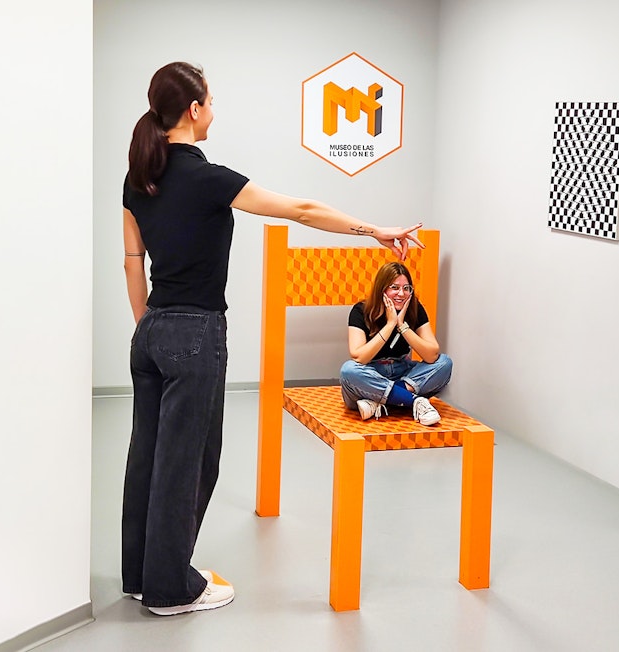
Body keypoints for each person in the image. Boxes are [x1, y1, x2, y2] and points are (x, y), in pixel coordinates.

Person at [121, 62, 424, 616]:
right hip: (195, 333)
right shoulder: (208, 179)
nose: (214, 110)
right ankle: (169, 589)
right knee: (188, 461)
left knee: (148, 453)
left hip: (152, 331)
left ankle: (142, 576)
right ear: (193, 110)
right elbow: (302, 210)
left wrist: (147, 325)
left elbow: (131, 260)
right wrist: (374, 231)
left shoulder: (140, 176)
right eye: (211, 101)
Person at [339, 262, 453, 426]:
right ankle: (413, 401)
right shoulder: (361, 310)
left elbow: (432, 355)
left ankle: (378, 400)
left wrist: (402, 326)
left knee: (444, 362)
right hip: (371, 374)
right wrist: (390, 324)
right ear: (382, 289)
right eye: (394, 287)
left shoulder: (415, 308)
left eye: (406, 288)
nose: (401, 293)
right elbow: (359, 357)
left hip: (402, 371)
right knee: (349, 370)